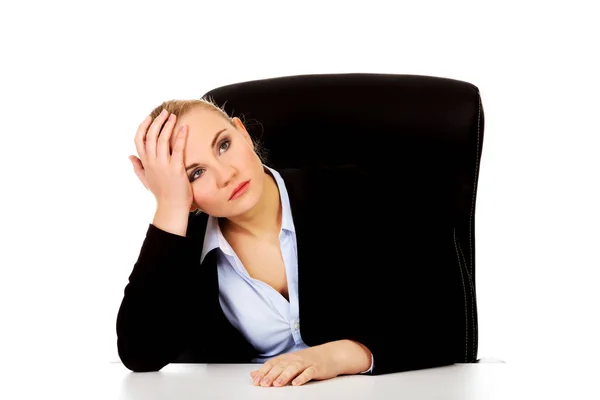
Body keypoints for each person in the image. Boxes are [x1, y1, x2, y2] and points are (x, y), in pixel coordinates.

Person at [116, 98, 463, 387]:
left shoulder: (355, 195)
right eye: (196, 173)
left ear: (243, 133)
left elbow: (448, 323)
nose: (227, 175)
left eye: (224, 145)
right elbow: (140, 353)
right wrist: (171, 207)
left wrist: (342, 354)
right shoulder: (184, 250)